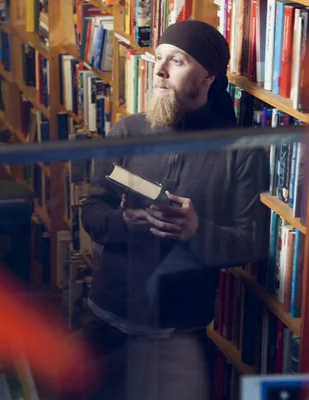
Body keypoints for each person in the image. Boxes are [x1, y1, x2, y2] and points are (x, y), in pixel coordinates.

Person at [77, 20, 269, 400]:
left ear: (209, 76)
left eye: (176, 61)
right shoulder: (128, 132)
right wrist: (124, 221)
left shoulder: (242, 152)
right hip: (107, 318)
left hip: (181, 333)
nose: (160, 71)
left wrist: (198, 231)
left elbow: (252, 242)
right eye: (158, 58)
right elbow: (92, 210)